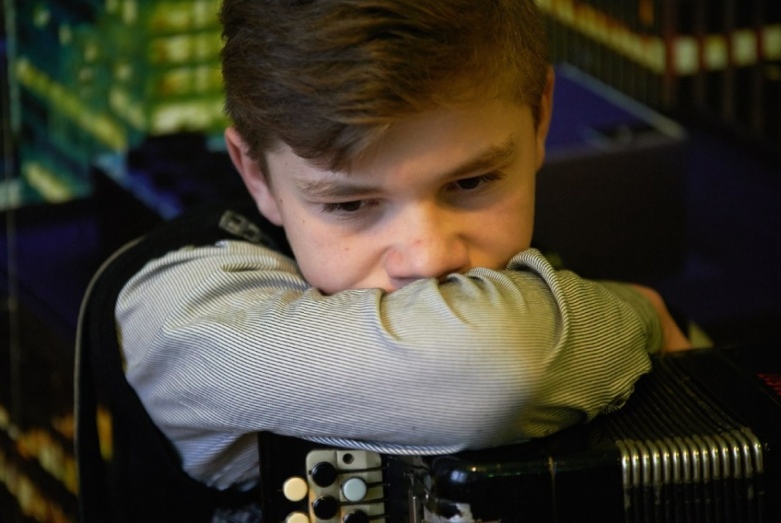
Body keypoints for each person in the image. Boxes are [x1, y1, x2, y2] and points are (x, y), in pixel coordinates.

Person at [115, 0, 691, 519]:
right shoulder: (177, 302)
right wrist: (640, 314)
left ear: (540, 116)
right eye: (350, 204)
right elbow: (495, 360)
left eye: (472, 182)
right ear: (255, 174)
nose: (429, 258)